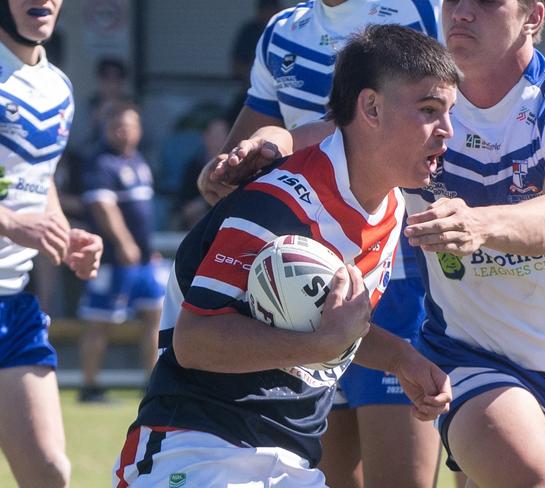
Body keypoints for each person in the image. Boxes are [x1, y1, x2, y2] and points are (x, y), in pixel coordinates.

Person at [208, 1, 545, 485]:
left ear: (533, 17)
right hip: (469, 355)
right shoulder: (422, 104)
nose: (461, 12)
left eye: (485, 1)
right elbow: (329, 135)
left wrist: (482, 225)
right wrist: (265, 147)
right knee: (536, 479)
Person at [113, 24, 458, 487]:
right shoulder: (278, 201)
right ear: (371, 107)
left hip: (293, 463)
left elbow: (330, 325)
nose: (448, 132)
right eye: (429, 111)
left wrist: (401, 359)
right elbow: (195, 341)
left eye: (449, 113)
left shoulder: (392, 206)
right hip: (197, 451)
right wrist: (320, 346)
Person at [0, 1, 104, 486]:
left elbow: (39, 181)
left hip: (13, 302)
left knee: (49, 473)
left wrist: (64, 234)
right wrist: (11, 224)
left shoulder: (58, 86)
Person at [77, 102, 165, 403]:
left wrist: (147, 250)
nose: (122, 131)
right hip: (113, 261)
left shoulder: (139, 161)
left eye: (128, 125)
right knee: (99, 320)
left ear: (139, 130)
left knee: (155, 314)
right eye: (116, 126)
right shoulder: (101, 163)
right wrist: (124, 242)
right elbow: (104, 207)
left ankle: (152, 383)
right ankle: (90, 387)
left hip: (143, 262)